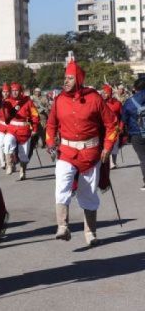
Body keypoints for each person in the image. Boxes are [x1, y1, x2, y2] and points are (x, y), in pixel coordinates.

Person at [46, 59, 118, 246]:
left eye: (70, 78)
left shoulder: (95, 99)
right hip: (66, 152)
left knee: (88, 194)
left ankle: (90, 232)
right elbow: (51, 124)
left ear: (78, 79)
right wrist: (49, 141)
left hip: (90, 153)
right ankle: (62, 226)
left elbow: (112, 125)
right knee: (62, 184)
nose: (66, 81)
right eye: (65, 78)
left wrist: (107, 147)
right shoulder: (59, 100)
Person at [2, 82, 39, 180]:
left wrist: (34, 128)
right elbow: (4, 113)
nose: (14, 93)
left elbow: (35, 115)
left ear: (20, 91)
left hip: (24, 130)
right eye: (13, 91)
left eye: (16, 90)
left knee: (24, 154)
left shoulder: (28, 101)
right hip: (12, 129)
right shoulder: (8, 101)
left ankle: (23, 170)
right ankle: (9, 164)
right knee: (7, 142)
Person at [121, 77, 145, 190]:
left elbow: (124, 119)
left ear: (135, 88)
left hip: (137, 134)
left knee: (143, 158)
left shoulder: (129, 102)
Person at [102, 84, 123, 169]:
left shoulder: (117, 104)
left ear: (110, 93)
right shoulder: (100, 102)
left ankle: (113, 162)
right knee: (105, 146)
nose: (104, 94)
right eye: (103, 92)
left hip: (115, 129)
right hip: (103, 128)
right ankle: (105, 162)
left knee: (114, 146)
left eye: (105, 93)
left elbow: (122, 117)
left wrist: (121, 127)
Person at [0, 83, 11, 170]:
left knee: (8, 145)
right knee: (0, 146)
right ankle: (3, 162)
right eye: (4, 92)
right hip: (1, 127)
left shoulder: (11, 101)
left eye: (7, 92)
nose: (5, 93)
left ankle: (11, 160)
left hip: (10, 126)